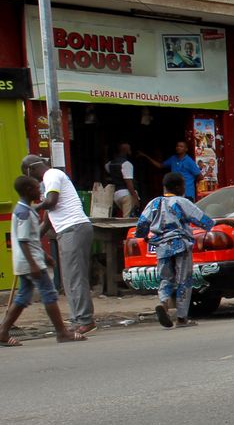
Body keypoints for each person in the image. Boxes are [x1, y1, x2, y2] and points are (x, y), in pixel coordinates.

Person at [0, 175, 87, 346]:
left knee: (23, 297)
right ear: (27, 190)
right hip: (30, 263)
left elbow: (30, 239)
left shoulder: (25, 209)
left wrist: (45, 256)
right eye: (36, 187)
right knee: (49, 294)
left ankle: (3, 331)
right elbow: (24, 241)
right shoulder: (24, 212)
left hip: (28, 261)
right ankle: (62, 332)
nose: (40, 190)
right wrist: (34, 263)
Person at [22, 154, 94, 335]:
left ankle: (85, 319)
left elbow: (51, 202)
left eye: (27, 175)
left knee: (75, 277)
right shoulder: (48, 181)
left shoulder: (51, 175)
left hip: (73, 228)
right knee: (69, 278)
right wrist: (33, 236)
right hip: (68, 230)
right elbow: (48, 219)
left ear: (31, 169)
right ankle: (78, 318)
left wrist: (32, 208)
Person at [134, 172, 216, 328]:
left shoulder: (154, 203)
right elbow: (203, 221)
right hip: (181, 245)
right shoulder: (182, 202)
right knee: (184, 281)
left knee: (166, 279)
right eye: (184, 185)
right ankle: (181, 318)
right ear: (179, 187)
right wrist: (224, 221)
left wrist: (145, 236)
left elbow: (141, 226)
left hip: (161, 247)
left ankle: (164, 303)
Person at [105, 142, 140, 218]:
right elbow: (129, 183)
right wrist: (135, 198)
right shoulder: (127, 164)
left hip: (116, 195)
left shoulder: (109, 164)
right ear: (126, 151)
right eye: (129, 149)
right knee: (127, 219)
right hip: (126, 195)